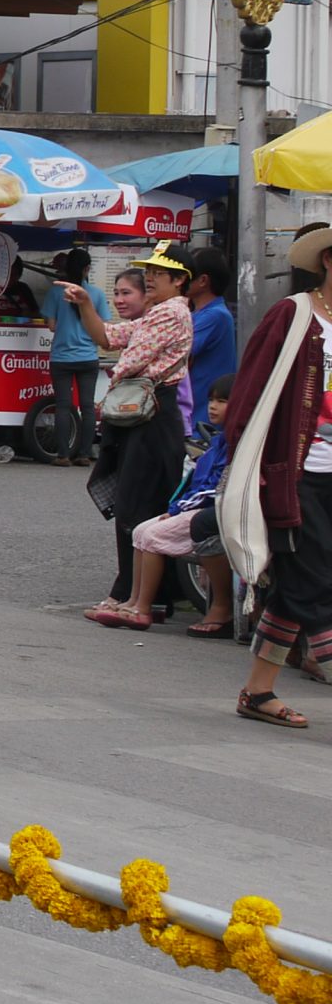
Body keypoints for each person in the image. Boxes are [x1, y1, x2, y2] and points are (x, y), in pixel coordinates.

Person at [216, 224, 332, 728]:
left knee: (298, 587)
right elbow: (249, 393)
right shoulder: (295, 315)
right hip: (298, 472)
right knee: (317, 580)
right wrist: (247, 465)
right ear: (328, 260)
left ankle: (257, 692)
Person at [61, 244, 194, 617]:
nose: (149, 277)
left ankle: (130, 597)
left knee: (136, 506)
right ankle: (143, 595)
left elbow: (128, 361)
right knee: (139, 504)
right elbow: (108, 337)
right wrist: (86, 302)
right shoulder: (160, 313)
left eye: (158, 272)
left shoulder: (170, 313)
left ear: (179, 280)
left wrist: (113, 386)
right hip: (144, 415)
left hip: (152, 414)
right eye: (147, 271)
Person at [90, 384, 238, 634]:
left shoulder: (232, 444)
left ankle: (145, 606)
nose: (213, 406)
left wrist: (180, 509)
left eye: (222, 401)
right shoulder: (218, 441)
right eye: (211, 400)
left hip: (208, 508)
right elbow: (193, 483)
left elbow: (216, 488)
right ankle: (134, 601)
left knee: (152, 535)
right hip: (192, 505)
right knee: (139, 531)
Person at [47, 248, 110, 467]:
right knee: (87, 406)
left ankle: (63, 455)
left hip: (61, 358)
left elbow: (52, 326)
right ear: (87, 269)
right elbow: (104, 326)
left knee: (63, 406)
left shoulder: (55, 293)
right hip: (88, 357)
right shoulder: (97, 294)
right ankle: (84, 454)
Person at [182, 245, 239, 420]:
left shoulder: (215, 316)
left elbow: (179, 352)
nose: (180, 281)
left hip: (203, 414)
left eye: (186, 276)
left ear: (203, 281)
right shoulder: (196, 314)